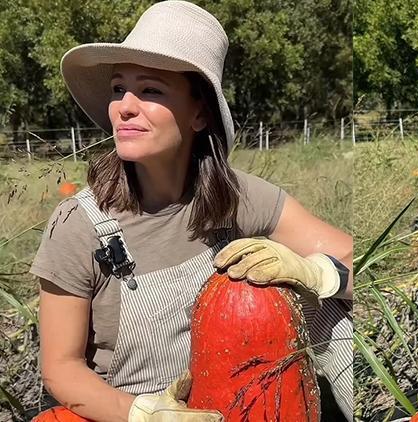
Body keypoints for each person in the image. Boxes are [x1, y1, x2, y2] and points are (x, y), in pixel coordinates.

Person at [30, 2, 353, 421]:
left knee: (334, 303)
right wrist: (145, 414)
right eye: (117, 89)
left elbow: (351, 257)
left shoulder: (234, 196)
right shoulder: (79, 224)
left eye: (150, 90)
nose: (124, 106)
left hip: (236, 405)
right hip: (133, 410)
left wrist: (315, 273)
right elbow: (60, 368)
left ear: (199, 113)